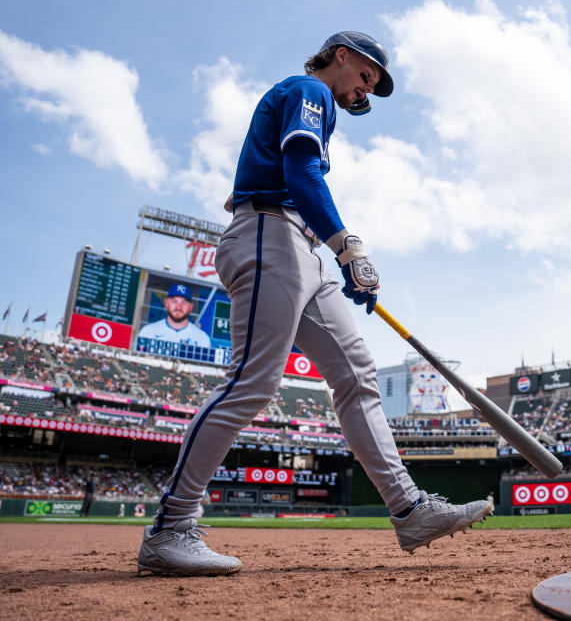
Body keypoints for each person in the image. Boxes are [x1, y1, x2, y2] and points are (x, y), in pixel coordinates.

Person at [137, 32, 492, 577]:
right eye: (367, 75)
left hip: (297, 245)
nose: (366, 90)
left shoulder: (319, 102)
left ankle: (409, 510)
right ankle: (171, 527)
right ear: (341, 56)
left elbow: (301, 181)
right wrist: (349, 246)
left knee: (356, 373)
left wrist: (336, 258)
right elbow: (302, 174)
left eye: (373, 84)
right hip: (266, 233)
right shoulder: (310, 89)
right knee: (253, 381)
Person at [137, 283, 211, 348]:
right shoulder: (148, 331)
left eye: (184, 303)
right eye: (174, 302)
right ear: (166, 303)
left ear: (191, 307)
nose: (178, 307)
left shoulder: (202, 338)